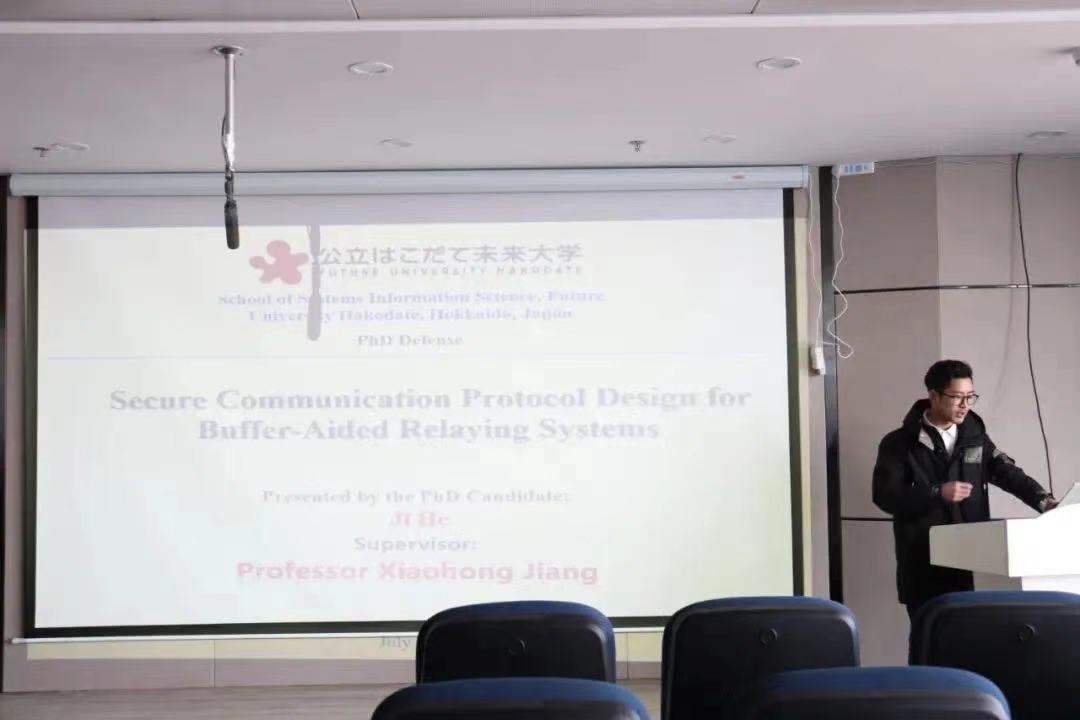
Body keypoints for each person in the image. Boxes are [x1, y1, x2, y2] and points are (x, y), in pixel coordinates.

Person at [872, 359, 1058, 619]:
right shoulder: (899, 443)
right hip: (924, 564)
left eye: (970, 397)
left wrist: (1043, 501)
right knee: (929, 635)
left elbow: (1007, 473)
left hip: (974, 561)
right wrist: (937, 493)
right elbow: (885, 495)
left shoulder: (975, 437)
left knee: (974, 636)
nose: (965, 405)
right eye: (957, 397)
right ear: (934, 396)